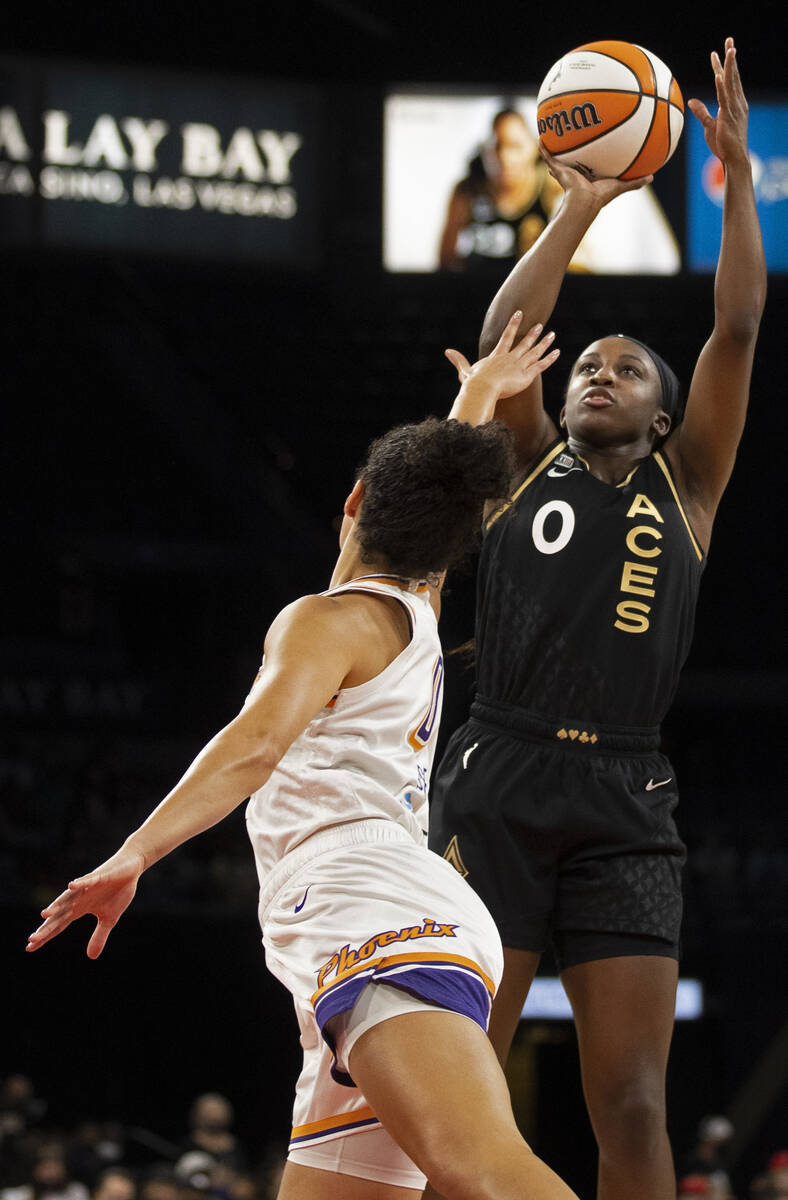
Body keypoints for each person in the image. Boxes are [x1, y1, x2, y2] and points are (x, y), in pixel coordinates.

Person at [26, 317, 579, 1200]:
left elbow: (252, 746)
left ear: (355, 499)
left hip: (368, 909)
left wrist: (133, 853)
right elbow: (442, 500)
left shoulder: (326, 619)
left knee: (480, 1172)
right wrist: (477, 400)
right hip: (376, 919)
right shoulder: (416, 606)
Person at [429, 36, 765, 1200]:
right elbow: (501, 344)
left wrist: (739, 187)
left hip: (627, 796)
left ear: (669, 418)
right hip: (500, 768)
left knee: (629, 1102)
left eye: (626, 369)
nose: (598, 373)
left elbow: (734, 329)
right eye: (589, 366)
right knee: (460, 1074)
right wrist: (576, 211)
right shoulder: (522, 462)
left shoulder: (690, 485)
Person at [438, 108, 561, 273]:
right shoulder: (467, 191)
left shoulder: (552, 189)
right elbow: (445, 259)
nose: (504, 157)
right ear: (483, 151)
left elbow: (578, 264)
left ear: (533, 148)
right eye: (497, 146)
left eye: (515, 146)